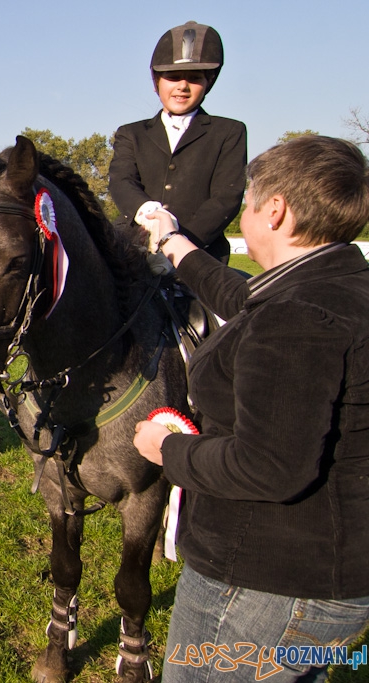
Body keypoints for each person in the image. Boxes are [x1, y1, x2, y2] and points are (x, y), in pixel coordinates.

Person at [133, 135, 369, 682]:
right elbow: (242, 300)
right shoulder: (334, 285)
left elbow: (268, 465)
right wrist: (175, 243)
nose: (245, 211)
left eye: (250, 200)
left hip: (267, 584)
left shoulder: (297, 318)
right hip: (320, 574)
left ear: (277, 210)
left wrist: (166, 448)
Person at [109, 21, 246, 264]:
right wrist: (150, 217)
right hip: (132, 249)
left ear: (207, 83)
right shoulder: (131, 133)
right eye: (173, 77)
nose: (182, 86)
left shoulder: (229, 132)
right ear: (157, 82)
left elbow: (227, 197)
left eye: (194, 79)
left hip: (199, 253)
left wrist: (177, 242)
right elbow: (122, 181)